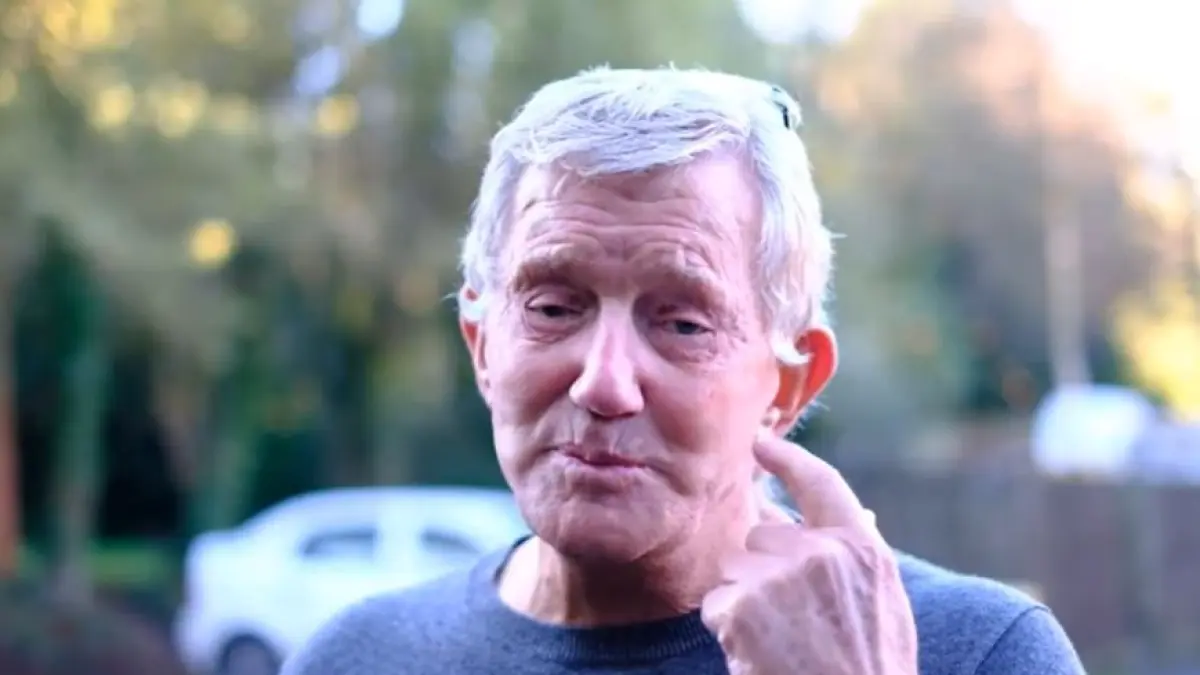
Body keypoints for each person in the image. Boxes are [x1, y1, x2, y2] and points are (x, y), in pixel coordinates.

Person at [281, 67, 1085, 675]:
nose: (604, 382)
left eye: (683, 323)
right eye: (554, 306)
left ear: (790, 384)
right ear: (482, 344)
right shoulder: (355, 657)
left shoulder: (979, 654)